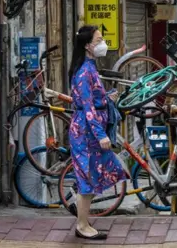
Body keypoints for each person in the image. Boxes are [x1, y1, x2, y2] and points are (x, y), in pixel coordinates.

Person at [67, 25, 127, 240]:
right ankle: (82, 225)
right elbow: (87, 107)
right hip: (86, 132)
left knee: (92, 176)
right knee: (87, 179)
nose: (103, 44)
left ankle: (83, 221)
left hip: (89, 130)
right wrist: (101, 135)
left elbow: (93, 100)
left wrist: (106, 97)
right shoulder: (84, 71)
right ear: (87, 45)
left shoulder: (90, 68)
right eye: (99, 40)